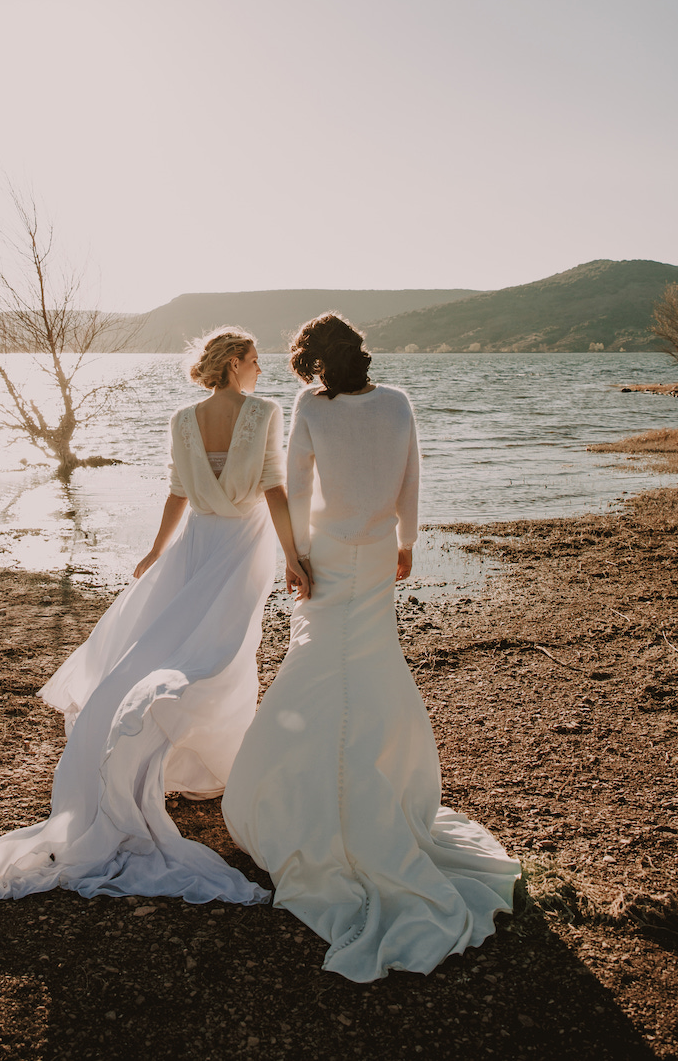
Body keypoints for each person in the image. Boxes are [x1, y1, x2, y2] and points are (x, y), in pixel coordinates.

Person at [0, 327, 309, 906]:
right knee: (220, 655)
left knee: (187, 648)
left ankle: (193, 766)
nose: (259, 369)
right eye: (253, 359)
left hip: (196, 544)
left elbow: (178, 492)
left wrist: (157, 551)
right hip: (243, 546)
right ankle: (207, 768)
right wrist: (294, 556)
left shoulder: (183, 419)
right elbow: (273, 487)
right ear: (233, 365)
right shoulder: (266, 411)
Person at [222, 313, 520, 981]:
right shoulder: (398, 403)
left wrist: (292, 554)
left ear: (315, 363)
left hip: (326, 552)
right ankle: (384, 785)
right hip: (378, 550)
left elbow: (297, 484)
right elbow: (413, 474)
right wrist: (407, 541)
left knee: (318, 664)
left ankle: (302, 794)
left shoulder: (311, 405)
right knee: (373, 664)